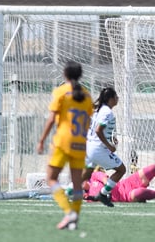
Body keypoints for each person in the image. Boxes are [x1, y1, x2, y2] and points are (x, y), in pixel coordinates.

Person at [37, 61, 93, 230]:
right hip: (80, 143)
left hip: (62, 142)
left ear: (65, 74)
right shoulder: (87, 95)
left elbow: (52, 118)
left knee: (51, 178)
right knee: (77, 184)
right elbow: (88, 121)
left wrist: (41, 140)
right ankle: (74, 219)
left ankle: (69, 212)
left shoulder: (62, 92)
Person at [81, 87, 126, 207]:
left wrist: (113, 137)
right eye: (116, 96)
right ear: (111, 99)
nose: (117, 98)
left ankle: (69, 191)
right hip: (98, 149)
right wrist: (109, 146)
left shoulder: (99, 110)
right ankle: (103, 193)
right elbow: (98, 130)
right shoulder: (107, 112)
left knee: (87, 173)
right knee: (121, 170)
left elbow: (101, 129)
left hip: (90, 146)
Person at [84, 164, 155, 203]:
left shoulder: (94, 176)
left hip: (127, 183)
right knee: (139, 192)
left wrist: (105, 191)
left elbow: (105, 180)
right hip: (126, 197)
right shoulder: (88, 197)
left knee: (153, 168)